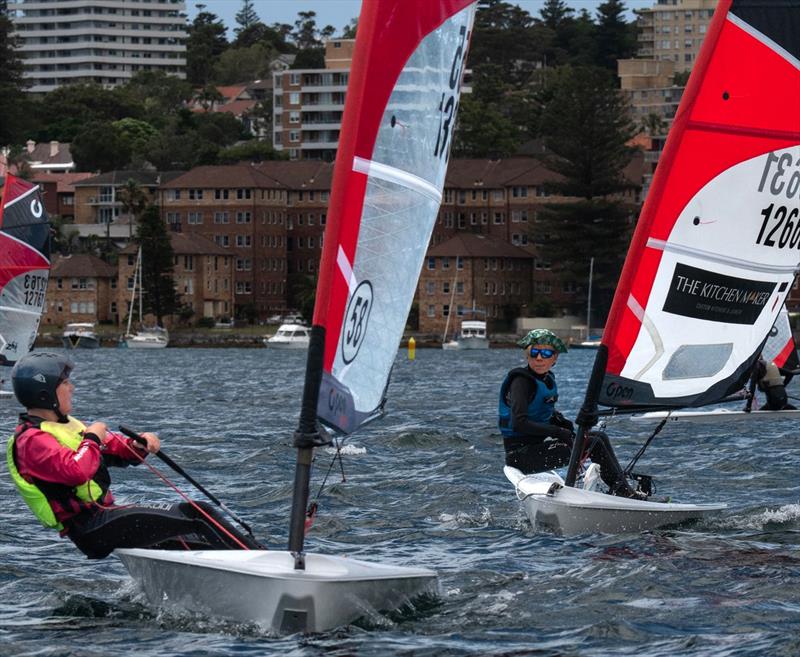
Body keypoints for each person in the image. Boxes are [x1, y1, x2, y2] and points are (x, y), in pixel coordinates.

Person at [6, 351, 262, 559]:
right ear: (45, 393)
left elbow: (115, 450)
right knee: (196, 513)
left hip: (104, 519)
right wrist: (93, 437)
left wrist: (139, 444)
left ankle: (245, 571)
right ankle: (262, 561)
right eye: (64, 383)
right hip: (90, 528)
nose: (72, 388)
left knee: (194, 541)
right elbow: (76, 471)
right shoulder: (32, 440)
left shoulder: (66, 426)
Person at [498, 328, 644, 499]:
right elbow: (519, 423)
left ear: (555, 358)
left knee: (598, 436)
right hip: (520, 456)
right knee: (594, 443)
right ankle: (623, 492)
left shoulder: (545, 379)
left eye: (546, 353)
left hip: (534, 447)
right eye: (534, 352)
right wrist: (558, 432)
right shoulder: (521, 381)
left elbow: (542, 412)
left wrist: (564, 424)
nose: (539, 358)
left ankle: (620, 487)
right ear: (527, 355)